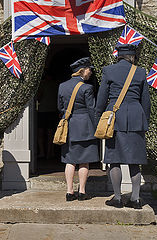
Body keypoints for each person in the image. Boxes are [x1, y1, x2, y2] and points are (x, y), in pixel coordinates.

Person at [95, 44, 151, 209]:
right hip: (136, 118)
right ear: (132, 57)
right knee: (135, 161)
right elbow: (146, 101)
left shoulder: (108, 71)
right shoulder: (140, 72)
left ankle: (118, 198)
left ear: (118, 56)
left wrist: (99, 118)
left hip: (115, 118)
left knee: (114, 160)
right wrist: (144, 121)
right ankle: (135, 199)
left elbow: (101, 98)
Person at [57, 57, 99, 201]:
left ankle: (69, 192)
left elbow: (60, 108)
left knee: (70, 161)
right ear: (82, 71)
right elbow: (92, 110)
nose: (91, 72)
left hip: (70, 128)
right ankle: (82, 192)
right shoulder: (87, 88)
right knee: (84, 161)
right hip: (86, 128)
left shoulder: (62, 86)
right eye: (89, 69)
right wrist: (97, 129)